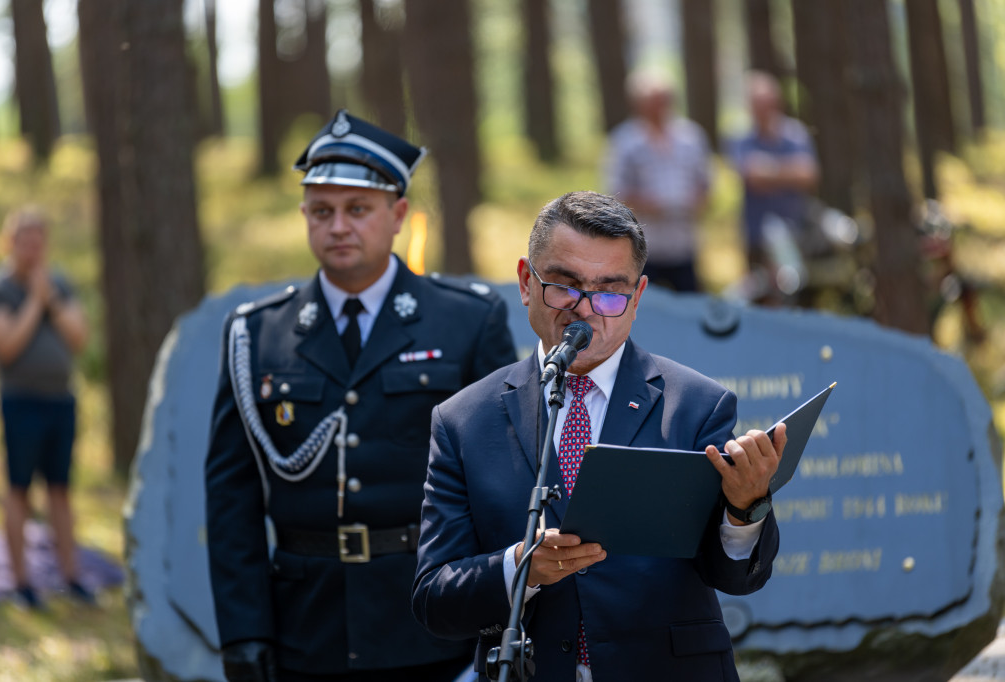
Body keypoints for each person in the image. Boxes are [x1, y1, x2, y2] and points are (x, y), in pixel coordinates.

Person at [412, 191, 787, 681]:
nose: (585, 310)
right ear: (527, 281)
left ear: (637, 298)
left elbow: (735, 576)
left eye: (610, 293)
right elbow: (434, 598)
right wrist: (519, 570)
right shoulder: (463, 420)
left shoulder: (696, 405)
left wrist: (745, 508)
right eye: (564, 287)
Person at [204, 109, 517, 682]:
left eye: (357, 209)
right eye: (322, 211)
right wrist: (244, 633)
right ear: (304, 216)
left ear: (397, 215)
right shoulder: (258, 334)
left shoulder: (466, 322)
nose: (339, 226)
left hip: (431, 622)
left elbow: (500, 483)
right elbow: (232, 501)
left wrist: (498, 624)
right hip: (305, 629)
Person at [0, 206, 93, 610]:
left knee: (61, 490)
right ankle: (21, 581)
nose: (32, 249)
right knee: (19, 490)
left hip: (61, 401)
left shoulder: (60, 284)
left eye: (38, 241)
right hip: (20, 402)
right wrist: (34, 299)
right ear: (11, 243)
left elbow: (79, 338)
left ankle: (72, 576)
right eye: (24, 241)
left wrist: (53, 300)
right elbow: (6, 345)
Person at [603, 71, 712, 292]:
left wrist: (696, 202)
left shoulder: (691, 137)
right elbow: (615, 192)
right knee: (642, 308)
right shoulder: (624, 141)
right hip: (643, 246)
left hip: (684, 243)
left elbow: (706, 183)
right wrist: (651, 205)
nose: (660, 106)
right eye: (653, 101)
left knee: (687, 306)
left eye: (664, 100)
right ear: (638, 104)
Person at [728, 71, 819, 273]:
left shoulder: (796, 133)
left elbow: (808, 175)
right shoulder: (740, 137)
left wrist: (769, 169)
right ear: (750, 106)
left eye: (769, 103)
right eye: (759, 105)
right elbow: (753, 177)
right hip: (756, 236)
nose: (765, 110)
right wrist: (790, 171)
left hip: (797, 230)